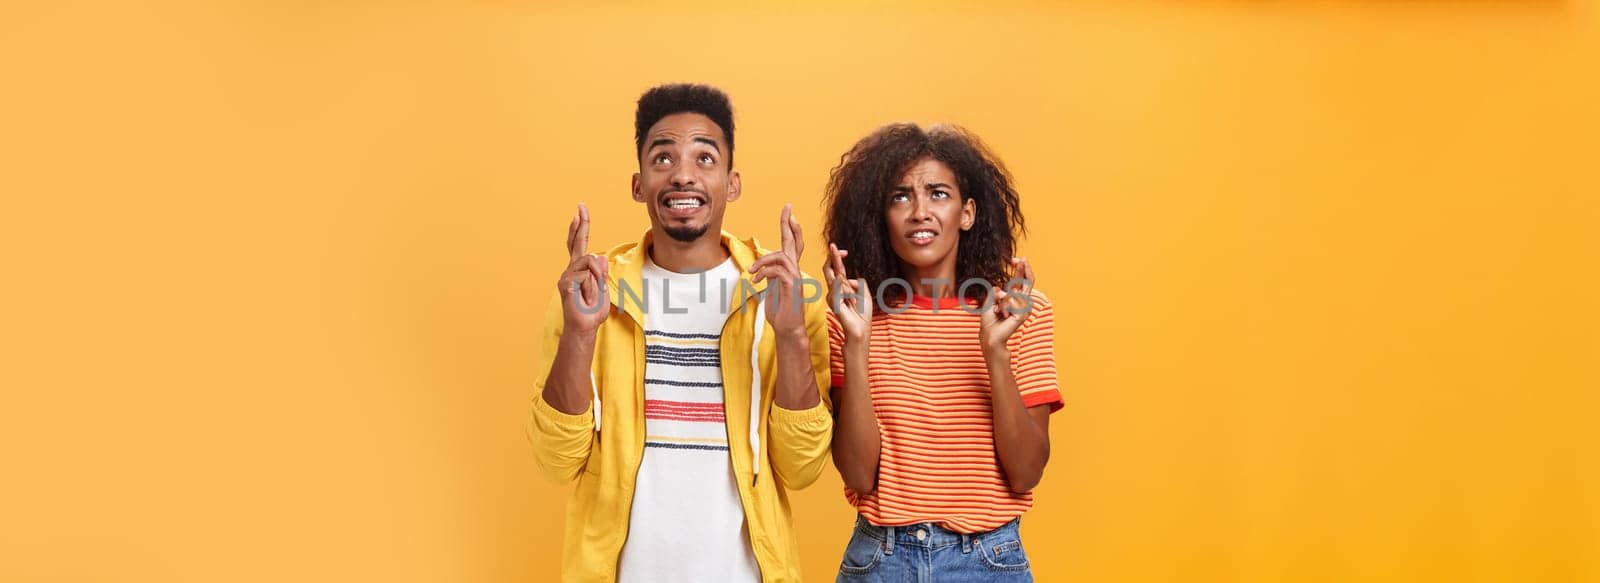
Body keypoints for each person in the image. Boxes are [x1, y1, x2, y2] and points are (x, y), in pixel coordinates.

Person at [527, 83, 833, 583]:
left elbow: (801, 469)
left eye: (705, 158)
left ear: (732, 183)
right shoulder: (589, 293)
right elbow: (555, 462)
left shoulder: (784, 295)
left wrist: (793, 336)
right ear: (638, 183)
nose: (683, 175)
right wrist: (580, 335)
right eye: (663, 158)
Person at [821, 123, 1063, 582]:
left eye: (937, 194)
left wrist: (995, 351)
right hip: (881, 560)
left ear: (967, 213)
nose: (919, 212)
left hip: (989, 560)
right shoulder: (852, 316)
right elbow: (857, 474)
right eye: (900, 197)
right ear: (881, 217)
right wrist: (857, 343)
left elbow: (1026, 473)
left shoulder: (1019, 312)